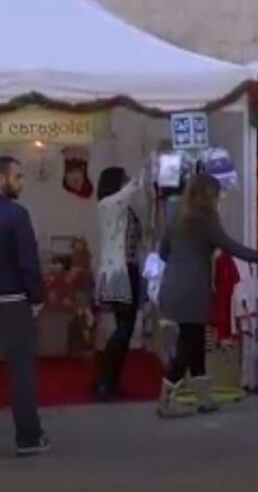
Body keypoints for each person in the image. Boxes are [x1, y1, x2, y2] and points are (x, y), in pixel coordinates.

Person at [157, 173, 258, 418]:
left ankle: (203, 398)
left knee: (195, 341)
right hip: (194, 290)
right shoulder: (206, 219)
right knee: (188, 347)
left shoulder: (177, 217)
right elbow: (230, 246)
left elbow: (163, 252)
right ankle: (165, 400)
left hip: (171, 286)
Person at [0, 156, 49, 456]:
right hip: (13, 301)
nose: (22, 182)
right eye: (17, 176)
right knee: (20, 371)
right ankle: (29, 438)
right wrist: (37, 299)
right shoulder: (17, 216)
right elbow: (29, 264)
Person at [92, 167, 144, 401]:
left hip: (128, 269)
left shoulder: (119, 208)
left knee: (125, 327)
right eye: (122, 178)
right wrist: (145, 171)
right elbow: (132, 189)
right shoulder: (107, 205)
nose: (126, 182)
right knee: (124, 328)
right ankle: (105, 381)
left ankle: (108, 380)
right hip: (118, 272)